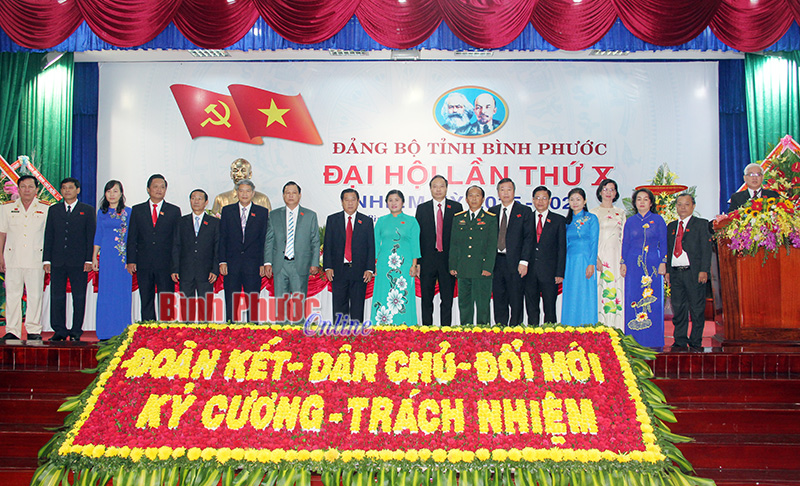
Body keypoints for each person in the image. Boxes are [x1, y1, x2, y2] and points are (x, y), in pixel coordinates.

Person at [43, 177, 96, 341]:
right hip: (57, 260)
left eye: (70, 187)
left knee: (79, 297)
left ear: (77, 190)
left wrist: (89, 260)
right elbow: (49, 235)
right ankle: (59, 330)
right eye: (64, 188)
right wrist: (46, 260)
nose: (67, 190)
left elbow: (90, 237)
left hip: (79, 262)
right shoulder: (54, 210)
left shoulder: (87, 210)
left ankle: (76, 330)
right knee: (57, 296)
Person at [126, 174, 181, 321]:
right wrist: (131, 260)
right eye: (155, 186)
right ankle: (148, 328)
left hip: (166, 263)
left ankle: (166, 329)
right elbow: (132, 237)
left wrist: (176, 265)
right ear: (148, 189)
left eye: (162, 187)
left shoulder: (174, 211)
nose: (159, 190)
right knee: (146, 299)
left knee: (166, 299)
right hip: (144, 263)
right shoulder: (137, 210)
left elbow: (177, 241)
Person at [263, 181, 320, 323]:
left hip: (300, 264)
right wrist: (268, 262)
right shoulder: (274, 215)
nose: (291, 195)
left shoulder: (310, 215)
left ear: (299, 195)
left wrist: (314, 263)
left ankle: (298, 330)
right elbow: (269, 240)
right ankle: (281, 329)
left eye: (294, 193)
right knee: (280, 301)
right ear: (283, 195)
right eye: (287, 193)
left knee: (298, 301)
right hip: (280, 264)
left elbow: (315, 241)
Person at [0, 176, 48, 341]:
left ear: (36, 190)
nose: (27, 190)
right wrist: (0, 256)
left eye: (30, 186)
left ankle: (33, 329)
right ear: (18, 189)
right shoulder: (7, 208)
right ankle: (12, 330)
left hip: (36, 258)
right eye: (23, 186)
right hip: (12, 258)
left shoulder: (45, 209)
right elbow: (2, 234)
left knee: (35, 295)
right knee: (12, 295)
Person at [621, 188, 667, 348]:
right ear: (634, 203)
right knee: (633, 297)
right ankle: (634, 339)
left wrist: (663, 261)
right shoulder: (630, 221)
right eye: (638, 199)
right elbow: (625, 243)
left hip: (653, 263)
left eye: (645, 199)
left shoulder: (658, 220)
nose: (642, 202)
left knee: (653, 300)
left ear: (651, 203)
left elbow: (664, 242)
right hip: (633, 263)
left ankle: (653, 340)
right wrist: (623, 262)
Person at [666, 194, 712, 352]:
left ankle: (695, 342)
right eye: (679, 204)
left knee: (697, 309)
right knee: (678, 308)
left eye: (686, 204)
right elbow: (669, 250)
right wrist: (668, 271)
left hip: (694, 272)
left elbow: (706, 250)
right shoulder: (672, 226)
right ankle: (679, 341)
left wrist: (704, 270)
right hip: (676, 273)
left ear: (693, 206)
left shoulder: (701, 224)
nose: (683, 207)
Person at [219, 179, 269, 323]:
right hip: (232, 263)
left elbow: (263, 240)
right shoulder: (227, 211)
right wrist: (222, 261)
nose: (244, 194)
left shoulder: (262, 212)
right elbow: (223, 237)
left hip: (253, 264)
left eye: (248, 191)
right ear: (237, 192)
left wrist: (263, 263)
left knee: (252, 300)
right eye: (241, 191)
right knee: (231, 299)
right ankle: (230, 327)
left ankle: (253, 328)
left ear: (253, 193)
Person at [415, 175, 462, 326]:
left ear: (446, 188)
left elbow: (459, 238)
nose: (438, 189)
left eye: (441, 186)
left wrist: (457, 261)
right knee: (426, 299)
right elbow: (418, 237)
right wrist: (418, 262)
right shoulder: (422, 208)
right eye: (435, 186)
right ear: (430, 189)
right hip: (427, 261)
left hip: (448, 261)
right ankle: (426, 329)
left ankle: (446, 329)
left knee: (447, 299)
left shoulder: (456, 208)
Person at [323, 189, 375, 323]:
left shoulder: (366, 221)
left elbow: (371, 247)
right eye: (347, 200)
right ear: (342, 202)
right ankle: (340, 334)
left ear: (358, 202)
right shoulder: (333, 220)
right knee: (339, 308)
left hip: (359, 272)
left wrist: (369, 269)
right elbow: (328, 245)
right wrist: (328, 266)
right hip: (338, 271)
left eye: (353, 200)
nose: (350, 203)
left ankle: (357, 334)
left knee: (358, 308)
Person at [449, 186, 497, 325]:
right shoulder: (458, 218)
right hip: (463, 268)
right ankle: (466, 332)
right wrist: (453, 265)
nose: (474, 198)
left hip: (482, 269)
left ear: (483, 199)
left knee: (483, 306)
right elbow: (454, 244)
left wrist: (488, 267)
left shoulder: (490, 218)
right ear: (466, 199)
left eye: (477, 196)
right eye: (471, 195)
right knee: (464, 305)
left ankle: (483, 333)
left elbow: (492, 245)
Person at [373, 190, 421, 325]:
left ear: (403, 202)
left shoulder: (411, 221)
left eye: (397, 200)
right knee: (383, 293)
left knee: (403, 294)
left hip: (404, 265)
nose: (394, 203)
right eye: (390, 200)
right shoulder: (381, 221)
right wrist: (373, 264)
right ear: (386, 203)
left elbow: (415, 245)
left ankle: (405, 325)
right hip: (384, 265)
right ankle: (382, 325)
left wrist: (414, 265)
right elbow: (375, 244)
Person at [92, 180, 132, 340]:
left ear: (121, 193)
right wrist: (94, 256)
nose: (112, 194)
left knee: (121, 294)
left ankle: (122, 330)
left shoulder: (128, 212)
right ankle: (105, 331)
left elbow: (132, 237)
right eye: (109, 191)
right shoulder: (101, 212)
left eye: (115, 191)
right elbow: (98, 235)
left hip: (122, 258)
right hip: (107, 257)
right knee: (106, 293)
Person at [490, 178, 532, 326]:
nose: (506, 193)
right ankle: (500, 328)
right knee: (499, 298)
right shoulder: (492, 212)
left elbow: (529, 238)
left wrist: (524, 261)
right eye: (502, 190)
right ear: (498, 193)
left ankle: (515, 328)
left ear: (514, 192)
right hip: (496, 261)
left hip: (516, 262)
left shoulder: (524, 211)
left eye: (509, 189)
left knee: (516, 298)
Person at [171, 189, 219, 319]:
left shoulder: (214, 223)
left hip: (206, 272)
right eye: (193, 198)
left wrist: (215, 270)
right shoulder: (181, 222)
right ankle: (188, 330)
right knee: (186, 308)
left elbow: (217, 248)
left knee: (205, 309)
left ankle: (204, 331)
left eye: (199, 199)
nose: (196, 201)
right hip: (186, 271)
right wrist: (175, 268)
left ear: (206, 202)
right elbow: (176, 246)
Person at [525, 186, 566, 326]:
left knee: (549, 308)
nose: (540, 201)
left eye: (544, 198)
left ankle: (550, 334)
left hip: (550, 272)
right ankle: (532, 333)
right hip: (529, 272)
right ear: (532, 200)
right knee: (531, 308)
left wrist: (560, 272)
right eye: (537, 198)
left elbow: (562, 248)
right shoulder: (526, 218)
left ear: (549, 200)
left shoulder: (558, 220)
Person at [561, 188, 599, 326]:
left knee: (585, 293)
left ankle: (587, 326)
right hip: (569, 263)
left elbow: (594, 242)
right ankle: (569, 326)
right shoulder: (566, 222)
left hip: (585, 261)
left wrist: (591, 263)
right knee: (571, 294)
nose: (575, 202)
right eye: (572, 200)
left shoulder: (591, 219)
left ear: (585, 201)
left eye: (578, 199)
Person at [591, 179, 626, 329]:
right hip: (599, 257)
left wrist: (623, 261)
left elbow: (624, 239)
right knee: (600, 289)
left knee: (616, 289)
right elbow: (590, 239)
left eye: (612, 189)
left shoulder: (621, 213)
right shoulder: (593, 213)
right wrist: (595, 258)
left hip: (616, 257)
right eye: (605, 189)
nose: (608, 192)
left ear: (616, 193)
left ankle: (617, 327)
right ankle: (601, 327)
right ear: (600, 192)